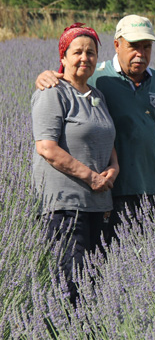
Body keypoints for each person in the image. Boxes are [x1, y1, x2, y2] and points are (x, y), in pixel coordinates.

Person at [36, 15, 155, 243]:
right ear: (117, 44)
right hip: (111, 190)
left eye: (146, 47)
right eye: (133, 46)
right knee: (104, 262)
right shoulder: (97, 78)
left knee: (142, 261)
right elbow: (67, 81)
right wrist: (45, 76)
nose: (141, 53)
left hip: (150, 186)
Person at [32, 23, 119, 305]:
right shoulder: (52, 92)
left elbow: (109, 141)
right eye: (77, 52)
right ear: (64, 56)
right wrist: (92, 178)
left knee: (94, 285)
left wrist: (114, 169)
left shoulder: (97, 96)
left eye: (91, 52)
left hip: (99, 205)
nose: (85, 58)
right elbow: (46, 148)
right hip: (66, 207)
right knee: (70, 286)